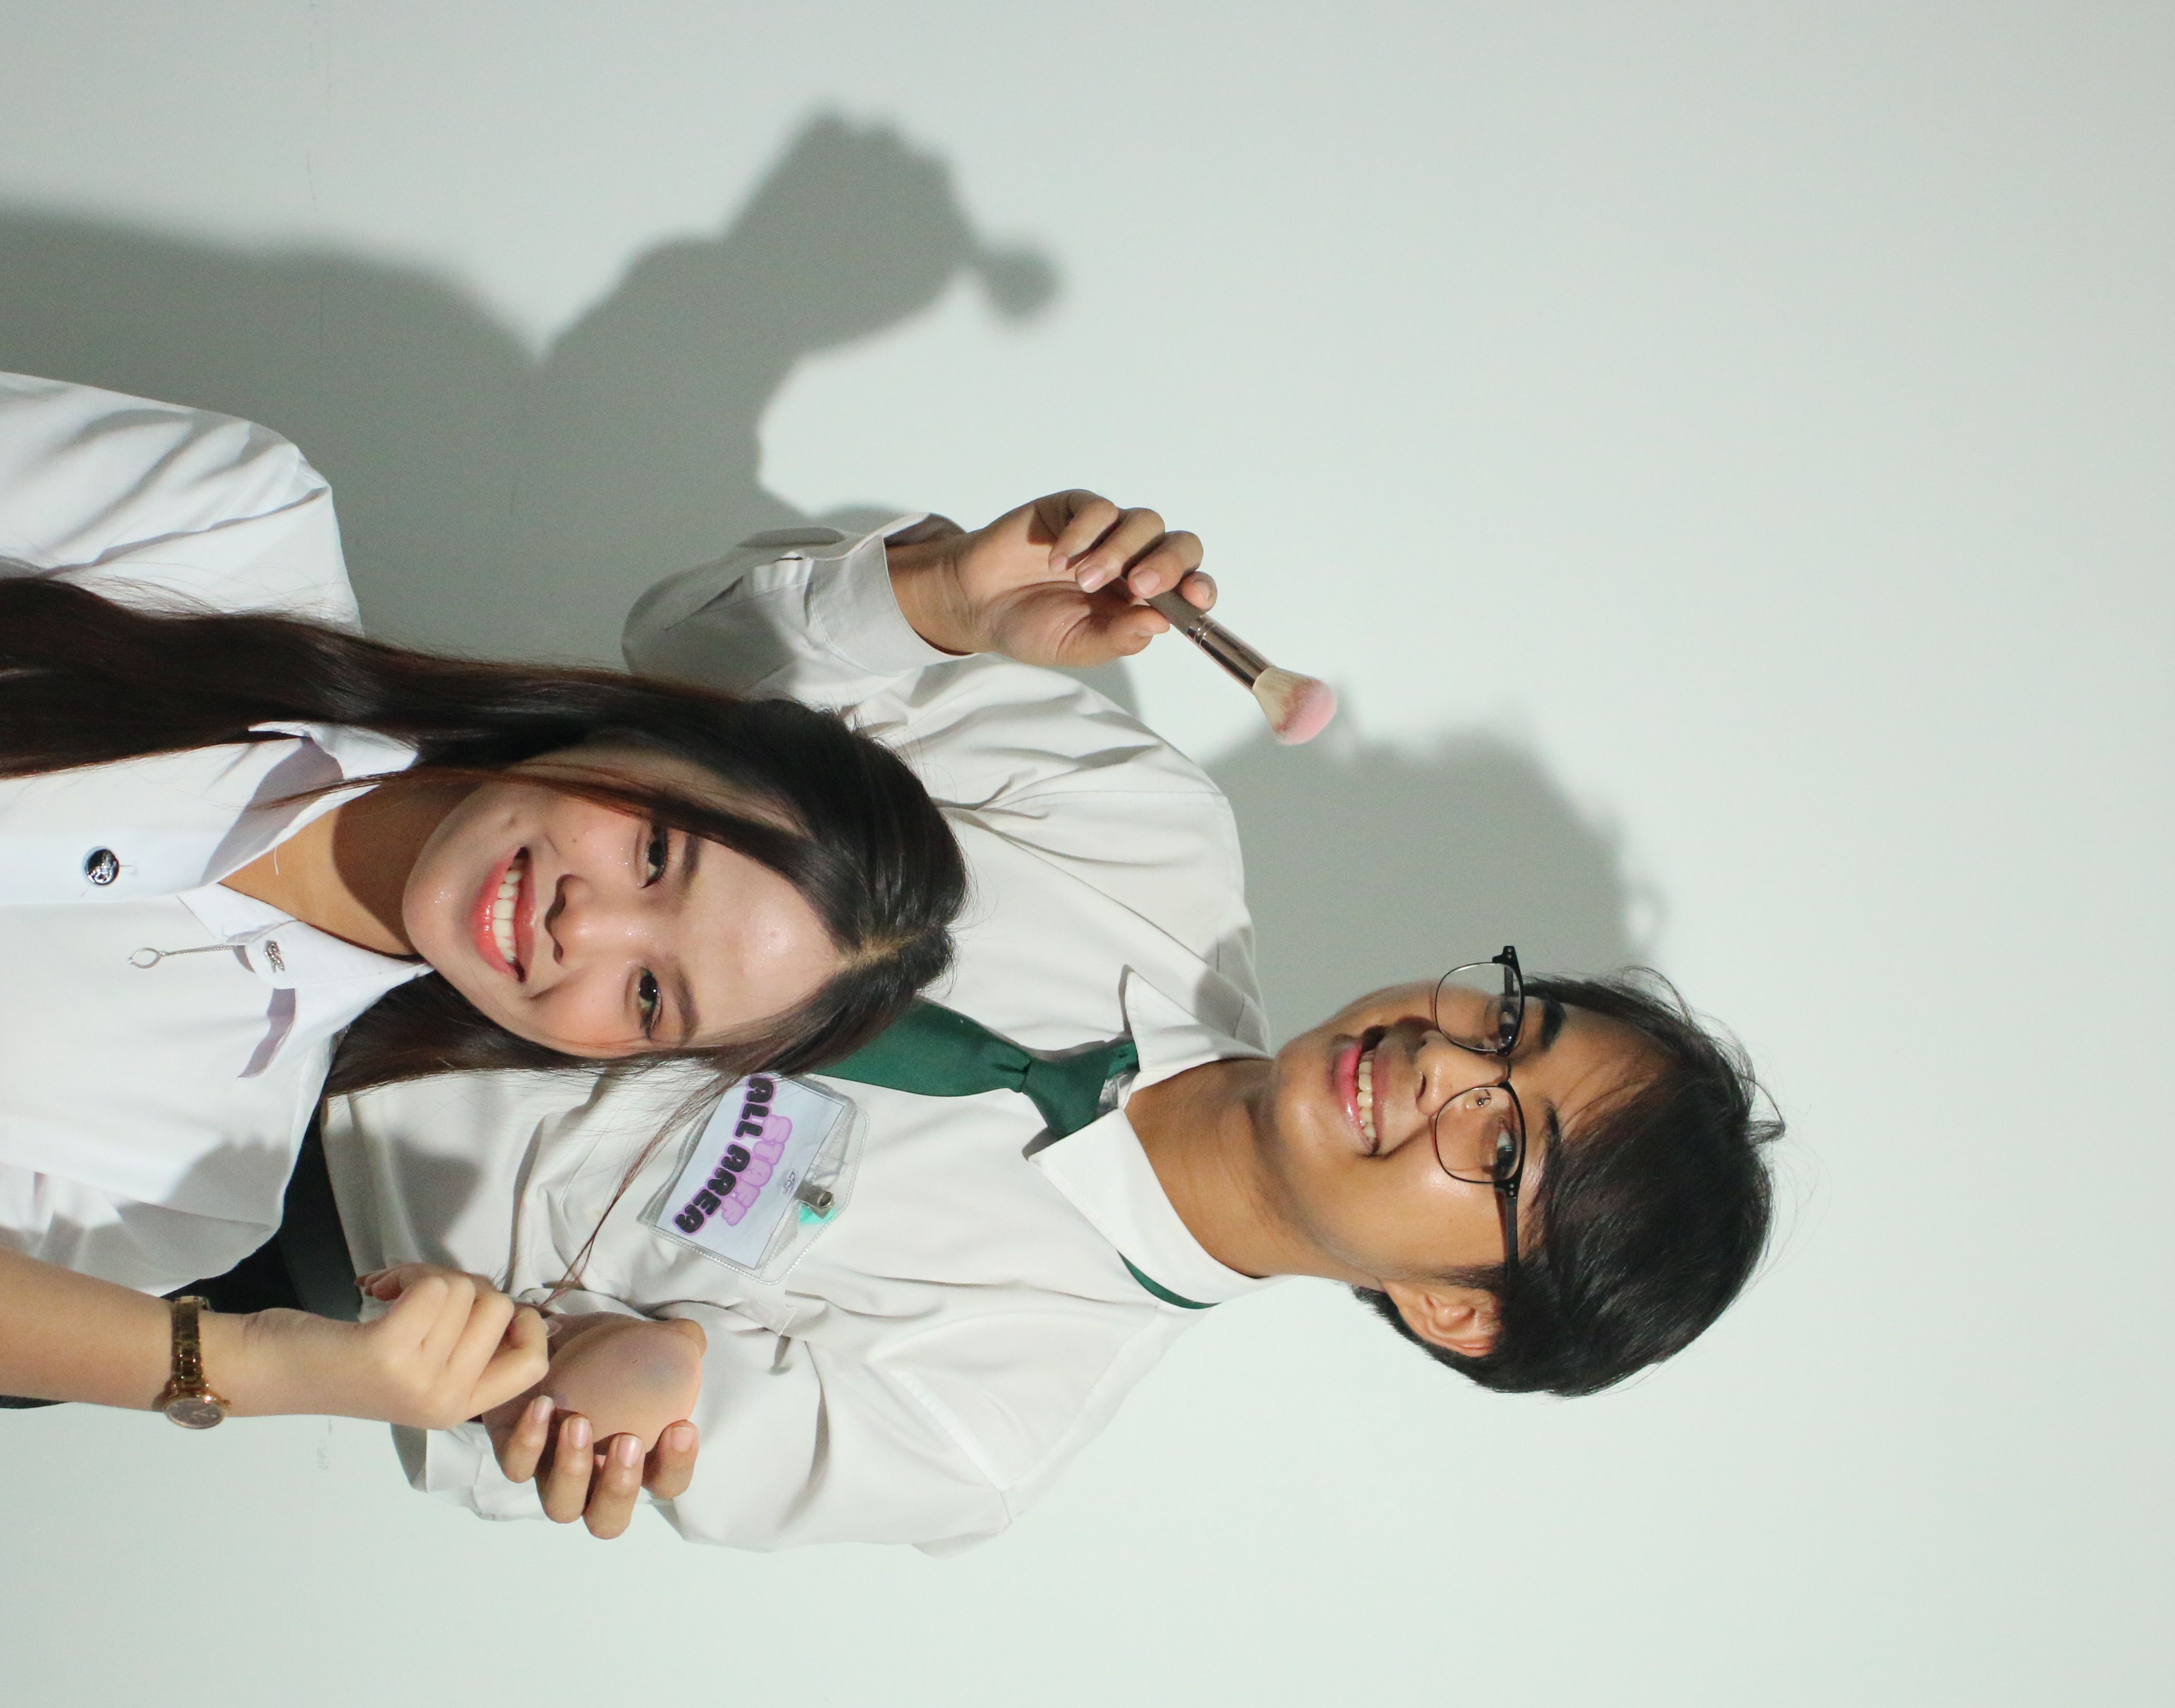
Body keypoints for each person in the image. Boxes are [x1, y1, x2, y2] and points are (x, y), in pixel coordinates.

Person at [0, 346, 964, 1436]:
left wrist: (258, 1368)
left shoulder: (197, 1196)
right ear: (656, 741)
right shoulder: (239, 522)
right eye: (658, 857)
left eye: (649, 997)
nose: (586, 930)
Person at [329, 497, 1782, 1547]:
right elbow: (675, 659)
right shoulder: (1143, 829)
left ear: (1456, 1311)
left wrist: (617, 1374)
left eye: (1504, 1148)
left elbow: (492, 1419)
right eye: (1509, 1028)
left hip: (257, 1173)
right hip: (346, 819)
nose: (1443, 1062)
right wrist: (940, 600)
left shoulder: (984, 1420)